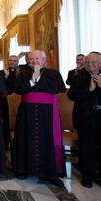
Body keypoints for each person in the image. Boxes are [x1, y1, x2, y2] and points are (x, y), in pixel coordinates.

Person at [12, 50, 66, 185]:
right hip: (27, 114)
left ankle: (51, 174)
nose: (34, 61)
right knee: (25, 138)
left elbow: (57, 88)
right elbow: (17, 89)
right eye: (31, 59)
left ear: (44, 60)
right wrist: (32, 80)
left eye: (37, 58)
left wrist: (38, 80)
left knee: (48, 140)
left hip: (47, 114)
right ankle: (23, 169)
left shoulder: (53, 73)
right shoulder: (23, 74)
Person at [67, 53, 101, 188]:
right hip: (85, 118)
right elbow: (72, 95)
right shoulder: (79, 77)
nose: (90, 64)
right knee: (86, 148)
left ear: (100, 63)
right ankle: (87, 176)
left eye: (94, 62)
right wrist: (89, 90)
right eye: (88, 62)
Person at [0, 55, 19, 150]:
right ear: (7, 61)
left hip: (19, 102)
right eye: (10, 60)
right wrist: (6, 77)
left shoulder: (22, 73)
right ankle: (5, 145)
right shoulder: (0, 73)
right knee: (5, 123)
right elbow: (1, 88)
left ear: (17, 62)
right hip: (4, 103)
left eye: (14, 61)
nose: (12, 62)